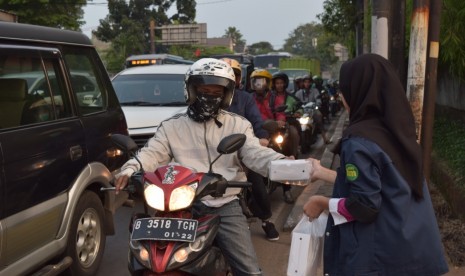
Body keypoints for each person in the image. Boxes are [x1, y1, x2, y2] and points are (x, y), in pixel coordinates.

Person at [114, 58, 289, 276]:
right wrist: (131, 169)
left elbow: (255, 153)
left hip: (223, 203)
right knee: (148, 259)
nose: (209, 96)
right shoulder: (172, 125)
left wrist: (283, 165)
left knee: (249, 270)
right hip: (178, 205)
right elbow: (151, 153)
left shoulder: (238, 125)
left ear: (226, 94)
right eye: (204, 89)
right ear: (191, 90)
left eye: (216, 91)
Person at [303, 54, 449, 275]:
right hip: (415, 252)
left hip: (381, 259)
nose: (342, 95)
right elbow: (383, 183)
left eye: (345, 89)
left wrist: (321, 202)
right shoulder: (399, 132)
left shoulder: (358, 141)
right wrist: (322, 172)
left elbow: (364, 206)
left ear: (358, 91)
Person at [221, 58, 280, 241]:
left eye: (234, 75)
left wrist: (262, 137)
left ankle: (266, 220)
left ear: (239, 79)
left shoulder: (245, 99)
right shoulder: (208, 99)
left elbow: (256, 120)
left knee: (257, 183)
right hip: (216, 155)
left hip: (243, 150)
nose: (230, 78)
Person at [250, 69, 298, 204]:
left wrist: (279, 122)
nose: (258, 84)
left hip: (273, 133)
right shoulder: (249, 98)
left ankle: (286, 189)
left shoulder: (274, 98)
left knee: (282, 154)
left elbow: (280, 113)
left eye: (261, 81)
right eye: (255, 81)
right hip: (254, 134)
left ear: (267, 83)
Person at [295, 74, 330, 144]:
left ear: (311, 83)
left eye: (308, 82)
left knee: (319, 117)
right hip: (302, 112)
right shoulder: (298, 93)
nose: (307, 84)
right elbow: (295, 102)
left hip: (312, 111)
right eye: (305, 82)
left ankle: (325, 138)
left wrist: (317, 104)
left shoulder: (315, 91)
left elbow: (318, 100)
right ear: (303, 83)